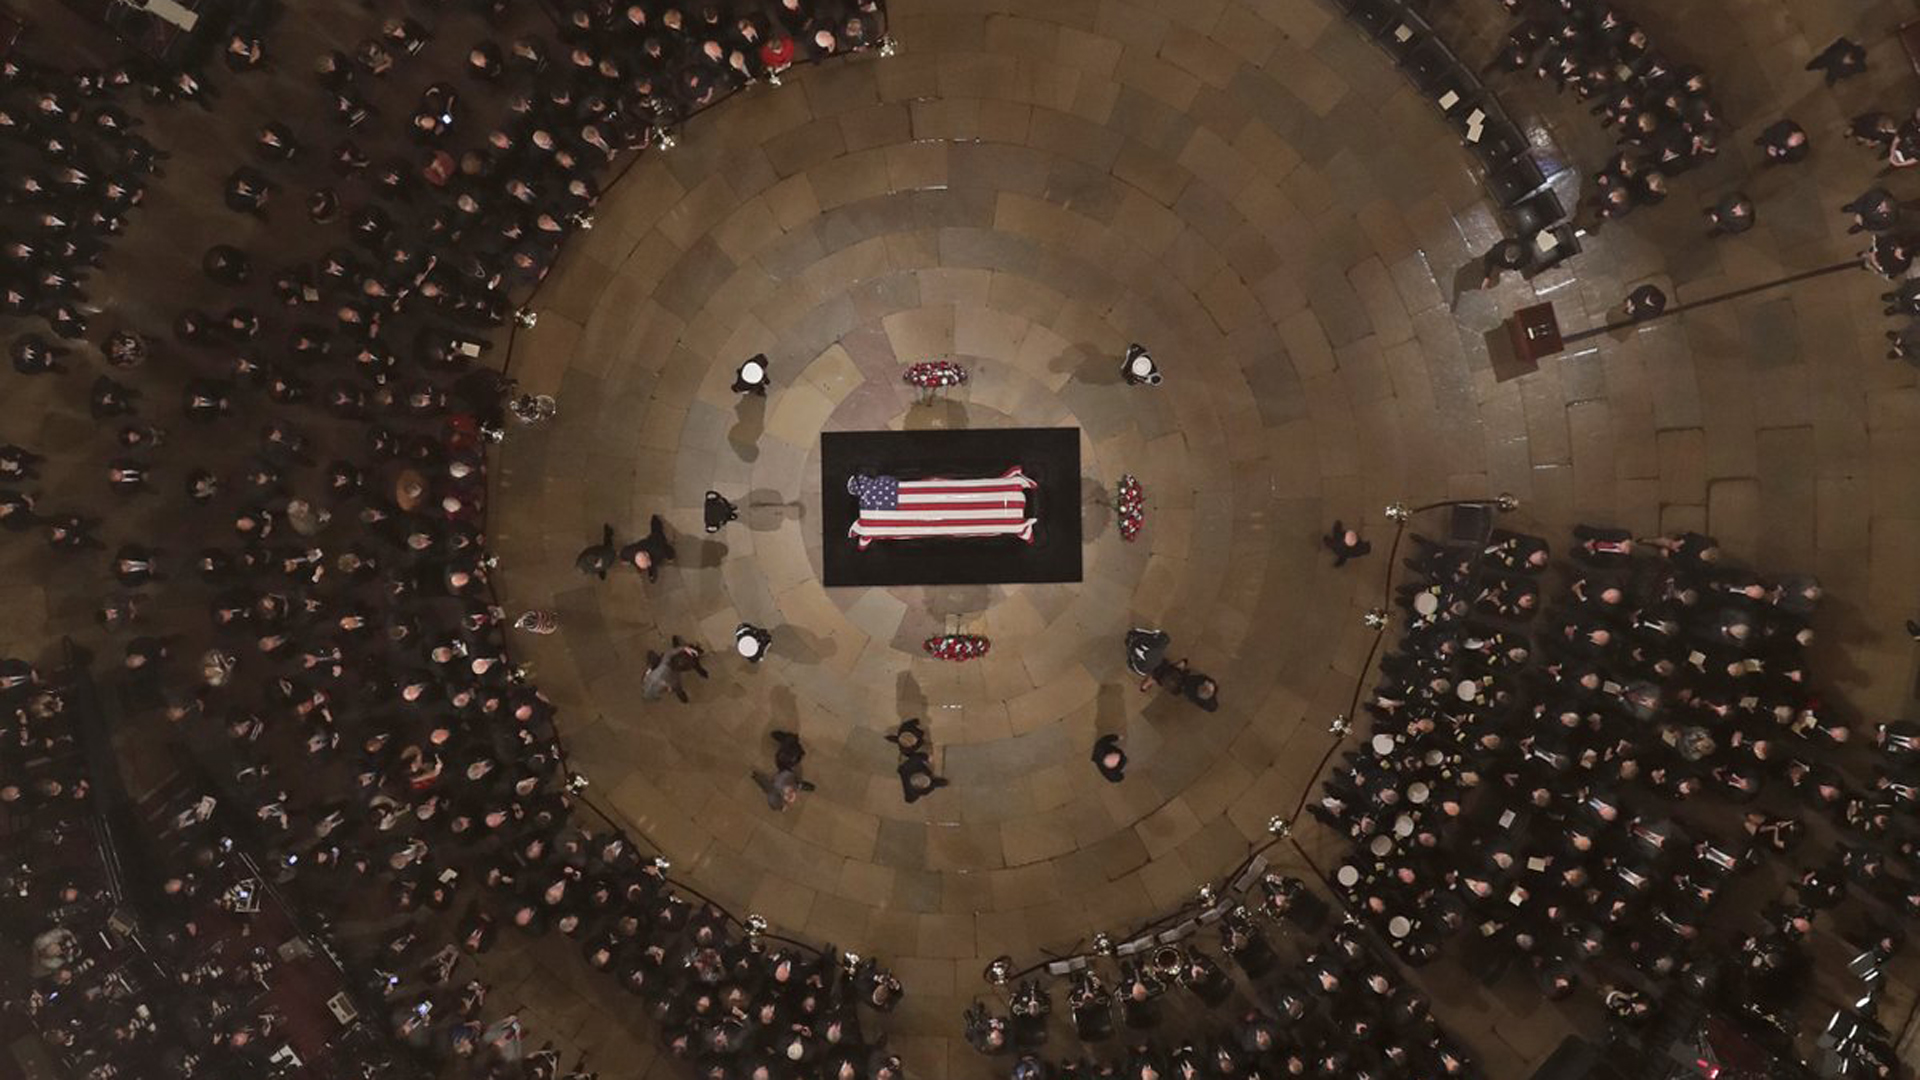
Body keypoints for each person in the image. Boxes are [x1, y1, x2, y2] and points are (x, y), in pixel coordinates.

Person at [620, 515, 675, 581]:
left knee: (657, 530)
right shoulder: (630, 552)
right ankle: (651, 571)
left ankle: (655, 519)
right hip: (650, 544)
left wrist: (670, 557)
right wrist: (624, 560)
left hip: (656, 539)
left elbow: (668, 550)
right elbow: (623, 552)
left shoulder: (659, 550)